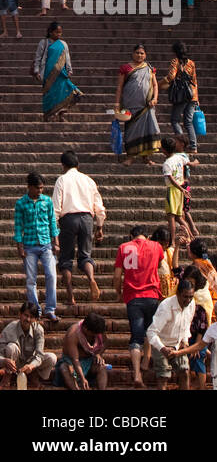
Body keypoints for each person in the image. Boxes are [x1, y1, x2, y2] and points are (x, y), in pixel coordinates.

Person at [53, 150, 105, 313]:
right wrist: (100, 226)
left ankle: (70, 297)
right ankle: (91, 278)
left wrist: (54, 232)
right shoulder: (88, 180)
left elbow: (56, 207)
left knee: (66, 259)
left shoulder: (62, 180)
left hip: (68, 219)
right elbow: (99, 205)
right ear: (78, 164)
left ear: (63, 166)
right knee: (85, 256)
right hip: (87, 218)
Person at [113, 224, 164, 388]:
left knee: (136, 337)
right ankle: (146, 360)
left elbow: (117, 275)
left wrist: (118, 292)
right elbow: (161, 266)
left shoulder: (123, 247)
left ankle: (137, 374)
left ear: (130, 236)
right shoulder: (156, 246)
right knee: (151, 330)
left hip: (133, 297)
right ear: (147, 237)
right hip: (152, 295)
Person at [13, 171, 60, 323]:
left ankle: (50, 309)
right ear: (29, 187)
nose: (40, 191)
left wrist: (56, 242)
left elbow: (52, 221)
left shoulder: (47, 201)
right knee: (31, 280)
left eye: (42, 188)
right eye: (37, 188)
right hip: (29, 246)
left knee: (51, 275)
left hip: (46, 244)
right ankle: (35, 310)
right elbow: (18, 226)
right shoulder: (21, 203)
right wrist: (20, 246)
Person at [146, 272, 202, 389]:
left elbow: (186, 324)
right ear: (178, 294)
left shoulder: (191, 304)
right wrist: (162, 348)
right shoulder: (166, 306)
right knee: (163, 376)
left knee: (185, 372)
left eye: (191, 297)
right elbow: (151, 332)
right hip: (161, 345)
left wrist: (185, 341)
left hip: (177, 345)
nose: (188, 300)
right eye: (185, 297)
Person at [114, 43, 161, 163]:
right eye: (137, 53)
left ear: (145, 55)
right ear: (133, 54)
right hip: (130, 104)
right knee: (131, 130)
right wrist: (117, 103)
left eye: (142, 53)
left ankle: (146, 157)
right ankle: (130, 157)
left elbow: (155, 85)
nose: (139, 55)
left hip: (146, 105)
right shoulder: (126, 68)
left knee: (148, 129)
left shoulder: (150, 69)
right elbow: (119, 87)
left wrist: (155, 99)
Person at [0, 302, 57, 389]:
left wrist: (31, 366)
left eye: (32, 317)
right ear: (20, 314)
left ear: (35, 319)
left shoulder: (38, 329)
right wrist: (4, 361)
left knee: (52, 357)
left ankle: (34, 376)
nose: (28, 319)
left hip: (31, 364)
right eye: (26, 315)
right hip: (14, 364)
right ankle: (8, 376)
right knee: (11, 347)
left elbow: (40, 354)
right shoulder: (10, 328)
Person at [160, 40, 199, 162]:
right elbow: (194, 80)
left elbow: (171, 76)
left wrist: (159, 83)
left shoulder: (175, 62)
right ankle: (193, 146)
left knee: (175, 120)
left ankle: (181, 143)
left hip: (181, 95)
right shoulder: (191, 63)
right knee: (188, 122)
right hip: (192, 95)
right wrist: (197, 98)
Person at [38, 21, 81, 122]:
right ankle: (48, 115)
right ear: (51, 32)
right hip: (48, 74)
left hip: (62, 74)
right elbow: (38, 57)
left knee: (68, 93)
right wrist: (37, 71)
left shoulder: (63, 44)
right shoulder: (44, 42)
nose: (59, 34)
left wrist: (69, 70)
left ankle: (62, 114)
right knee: (50, 95)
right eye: (57, 32)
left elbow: (67, 58)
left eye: (60, 32)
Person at [57, 312, 108, 390]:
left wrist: (98, 354)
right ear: (86, 329)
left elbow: (105, 342)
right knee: (64, 368)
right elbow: (75, 360)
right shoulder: (73, 333)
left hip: (89, 361)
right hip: (72, 363)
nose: (95, 336)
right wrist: (82, 378)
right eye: (93, 334)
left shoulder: (98, 329)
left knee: (101, 367)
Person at [161, 135, 190, 245]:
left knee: (171, 217)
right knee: (179, 217)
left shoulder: (167, 163)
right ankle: (190, 237)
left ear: (164, 149)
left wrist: (181, 189)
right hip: (179, 190)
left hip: (173, 190)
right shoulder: (179, 157)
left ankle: (172, 241)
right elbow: (186, 163)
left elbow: (171, 178)